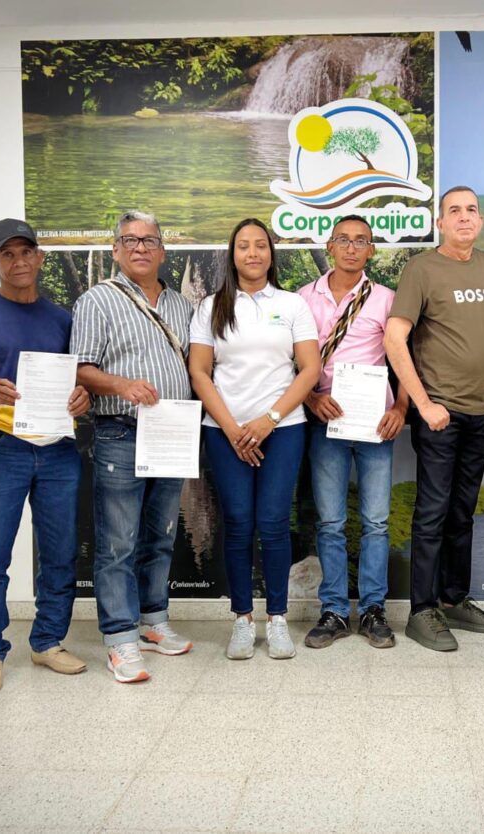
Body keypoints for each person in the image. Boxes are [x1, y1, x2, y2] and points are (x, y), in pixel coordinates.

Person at [0, 219, 90, 695]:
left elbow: (79, 381)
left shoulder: (63, 318)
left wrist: (82, 398)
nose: (19, 261)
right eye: (7, 255)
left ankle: (48, 641)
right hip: (0, 448)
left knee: (60, 553)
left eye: (26, 251)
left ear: (41, 257)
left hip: (58, 448)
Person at [384, 186, 484, 652]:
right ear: (440, 222)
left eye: (471, 210)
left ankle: (455, 599)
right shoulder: (422, 268)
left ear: (480, 220)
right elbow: (396, 339)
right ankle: (422, 610)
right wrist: (423, 404)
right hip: (439, 415)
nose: (463, 218)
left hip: (482, 413)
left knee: (463, 513)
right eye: (453, 211)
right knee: (433, 513)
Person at [72, 210, 196, 683]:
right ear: (115, 250)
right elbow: (82, 368)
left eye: (150, 240)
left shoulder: (181, 307)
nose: (141, 247)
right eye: (130, 240)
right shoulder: (97, 301)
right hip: (120, 432)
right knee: (118, 541)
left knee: (161, 534)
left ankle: (152, 620)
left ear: (163, 250)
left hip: (172, 433)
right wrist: (121, 385)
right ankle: (120, 637)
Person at [189, 218, 320, 660]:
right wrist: (231, 427)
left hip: (282, 430)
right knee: (239, 522)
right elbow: (200, 372)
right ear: (233, 254)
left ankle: (278, 618)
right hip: (225, 432)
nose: (252, 253)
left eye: (260, 245)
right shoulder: (211, 306)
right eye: (243, 246)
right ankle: (243, 619)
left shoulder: (292, 304)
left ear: (270, 253)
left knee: (273, 522)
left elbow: (310, 369)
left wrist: (269, 419)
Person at [298, 215, 408, 650]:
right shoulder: (303, 299)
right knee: (330, 522)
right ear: (330, 246)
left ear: (371, 250)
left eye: (360, 240)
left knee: (377, 522)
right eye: (343, 239)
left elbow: (404, 360)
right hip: (325, 420)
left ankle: (374, 610)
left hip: (375, 422)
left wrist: (400, 406)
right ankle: (334, 611)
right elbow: (292, 361)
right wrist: (310, 400)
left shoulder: (386, 299)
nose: (350, 247)